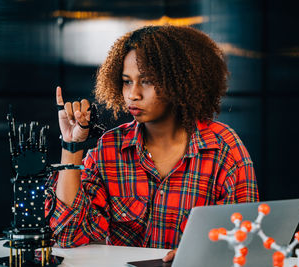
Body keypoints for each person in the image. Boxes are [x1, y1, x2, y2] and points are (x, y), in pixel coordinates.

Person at [46, 25, 259, 262]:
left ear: (180, 82)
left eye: (146, 81)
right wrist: (71, 146)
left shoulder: (223, 148)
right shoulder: (109, 149)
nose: (133, 94)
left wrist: (203, 255)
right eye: (127, 82)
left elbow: (245, 240)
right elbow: (68, 235)